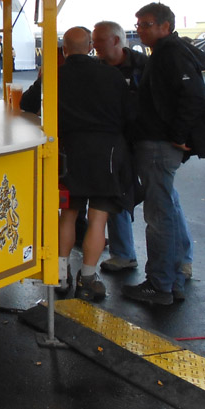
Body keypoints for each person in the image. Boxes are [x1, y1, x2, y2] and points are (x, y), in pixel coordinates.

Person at [123, 3, 205, 305]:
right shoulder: (167, 52)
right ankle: (175, 274)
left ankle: (160, 285)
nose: (140, 29)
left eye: (146, 24)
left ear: (165, 27)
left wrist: (179, 136)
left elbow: (195, 96)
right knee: (168, 207)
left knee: (159, 216)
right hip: (160, 144)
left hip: (159, 146)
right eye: (139, 24)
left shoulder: (171, 53)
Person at [55, 27, 132, 301]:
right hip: (107, 154)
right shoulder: (112, 75)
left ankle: (60, 276)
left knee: (69, 214)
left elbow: (29, 103)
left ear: (64, 49)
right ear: (90, 46)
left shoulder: (56, 75)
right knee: (98, 219)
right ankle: (87, 278)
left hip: (70, 153)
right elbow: (128, 114)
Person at [92, 21, 149, 273]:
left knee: (161, 197)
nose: (94, 46)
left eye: (99, 41)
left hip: (144, 139)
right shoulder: (96, 69)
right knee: (115, 193)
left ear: (116, 40)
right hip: (112, 143)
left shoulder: (143, 65)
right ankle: (123, 253)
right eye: (92, 41)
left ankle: (181, 261)